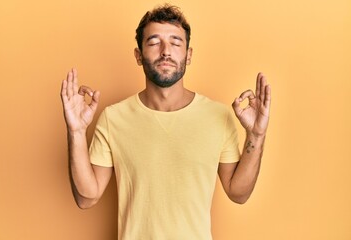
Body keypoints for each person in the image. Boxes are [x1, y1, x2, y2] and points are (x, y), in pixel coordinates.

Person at [60, 4, 271, 240]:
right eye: (153, 42)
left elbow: (238, 193)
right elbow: (85, 197)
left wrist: (256, 135)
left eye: (176, 42)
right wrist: (76, 132)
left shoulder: (218, 116)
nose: (165, 51)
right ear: (138, 56)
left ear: (188, 55)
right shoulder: (113, 118)